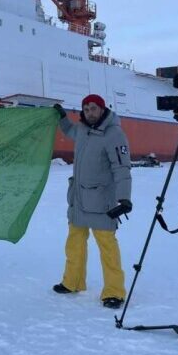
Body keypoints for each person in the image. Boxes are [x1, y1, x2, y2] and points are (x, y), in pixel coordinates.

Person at [52, 94, 132, 309]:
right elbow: (69, 131)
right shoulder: (81, 129)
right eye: (86, 109)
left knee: (107, 248)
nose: (90, 113)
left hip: (100, 201)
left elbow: (122, 168)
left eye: (93, 109)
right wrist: (62, 118)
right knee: (74, 244)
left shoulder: (114, 134)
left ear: (102, 109)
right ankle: (73, 282)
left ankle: (114, 292)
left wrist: (124, 197)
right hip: (78, 198)